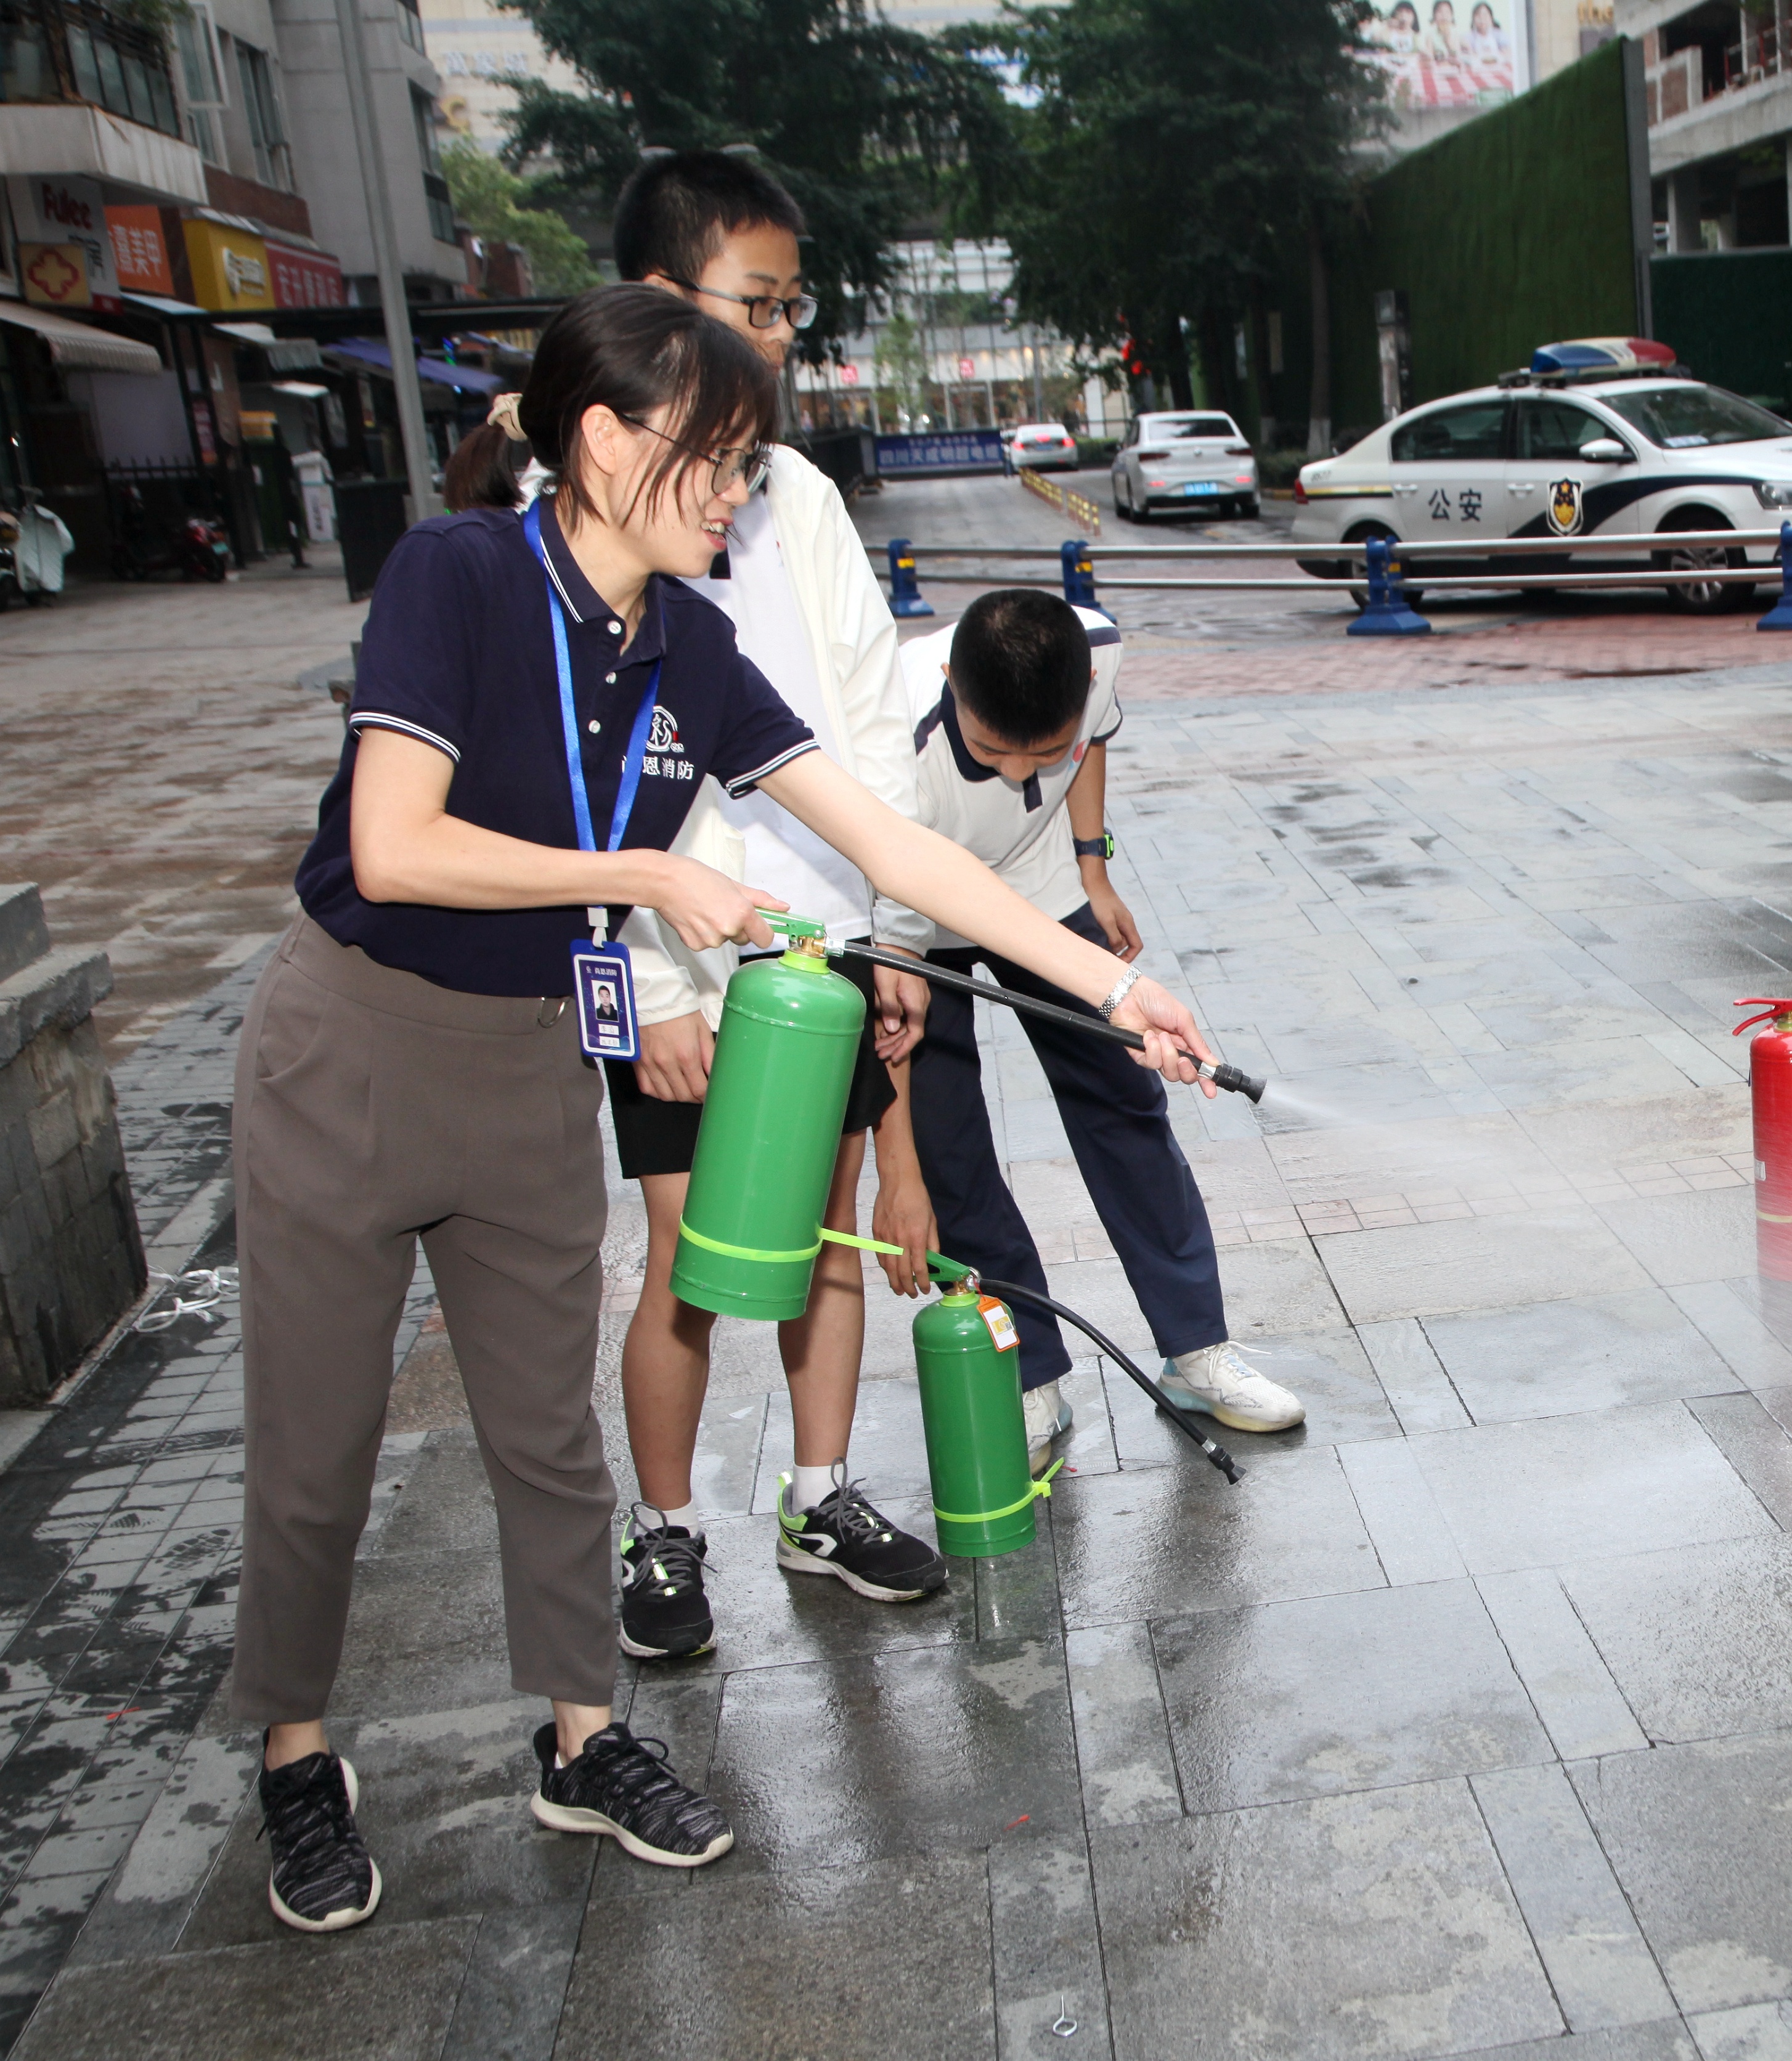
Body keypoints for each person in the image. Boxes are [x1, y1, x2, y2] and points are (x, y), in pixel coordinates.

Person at [237, 285, 1218, 1934]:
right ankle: (292, 1755)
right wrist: (647, 874)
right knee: (317, 1446)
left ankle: (581, 1734)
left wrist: (1114, 985)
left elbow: (895, 851)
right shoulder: (455, 576)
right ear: (606, 437)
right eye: (715, 458)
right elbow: (394, 843)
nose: (735, 494)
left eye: (750, 463)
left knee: (549, 1442)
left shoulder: (687, 641)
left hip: (527, 1056)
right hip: (351, 1042)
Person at [604, 150, 946, 1661]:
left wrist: (888, 932)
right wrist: (662, 989)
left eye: (793, 304)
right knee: (687, 1260)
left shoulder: (795, 493)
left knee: (821, 1243)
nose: (786, 331)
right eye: (761, 300)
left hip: (820, 939)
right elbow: (608, 792)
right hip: (685, 955)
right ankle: (665, 1528)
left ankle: (819, 1493)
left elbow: (871, 722)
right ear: (666, 300)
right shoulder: (614, 519)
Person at [887, 589, 1306, 1473]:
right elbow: (885, 968)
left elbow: (1095, 741)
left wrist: (1091, 864)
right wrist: (897, 1171)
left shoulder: (1097, 648)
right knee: (949, 1141)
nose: (1015, 775)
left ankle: (1195, 1348)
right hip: (910, 916)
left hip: (1042, 893)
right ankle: (1028, 1371)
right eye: (993, 751)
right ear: (950, 692)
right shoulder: (889, 742)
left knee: (1124, 1103)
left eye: (1040, 752)